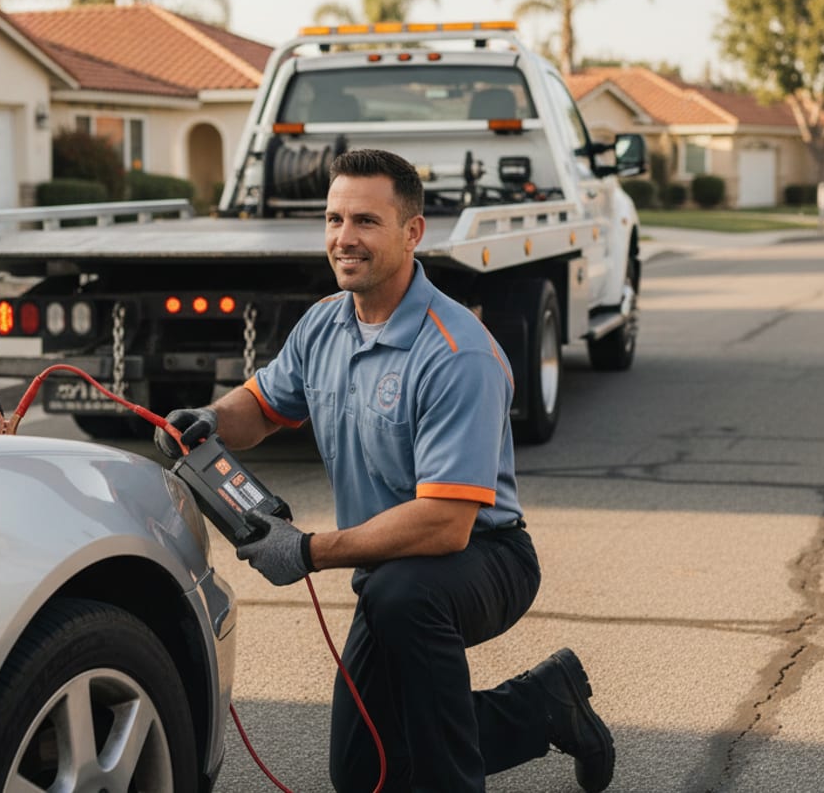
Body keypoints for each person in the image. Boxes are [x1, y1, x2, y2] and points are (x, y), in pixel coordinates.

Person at [155, 148, 614, 792]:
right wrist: (208, 418)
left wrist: (309, 550)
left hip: (484, 559)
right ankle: (547, 705)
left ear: (412, 232)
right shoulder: (325, 324)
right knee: (365, 767)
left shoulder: (457, 354)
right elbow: (259, 407)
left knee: (404, 605)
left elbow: (446, 526)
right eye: (334, 219)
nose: (345, 238)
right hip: (389, 571)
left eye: (366, 221)